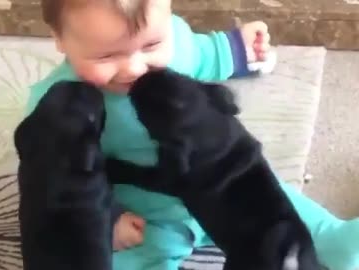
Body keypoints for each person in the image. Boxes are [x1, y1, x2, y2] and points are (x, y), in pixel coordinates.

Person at [24, 0, 359, 269]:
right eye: (108, 56)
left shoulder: (175, 43)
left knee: (281, 214)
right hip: (149, 216)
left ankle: (340, 244)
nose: (135, 67)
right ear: (59, 39)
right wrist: (108, 216)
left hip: (226, 186)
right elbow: (61, 182)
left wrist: (237, 50)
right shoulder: (58, 107)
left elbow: (200, 54)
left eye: (151, 45)